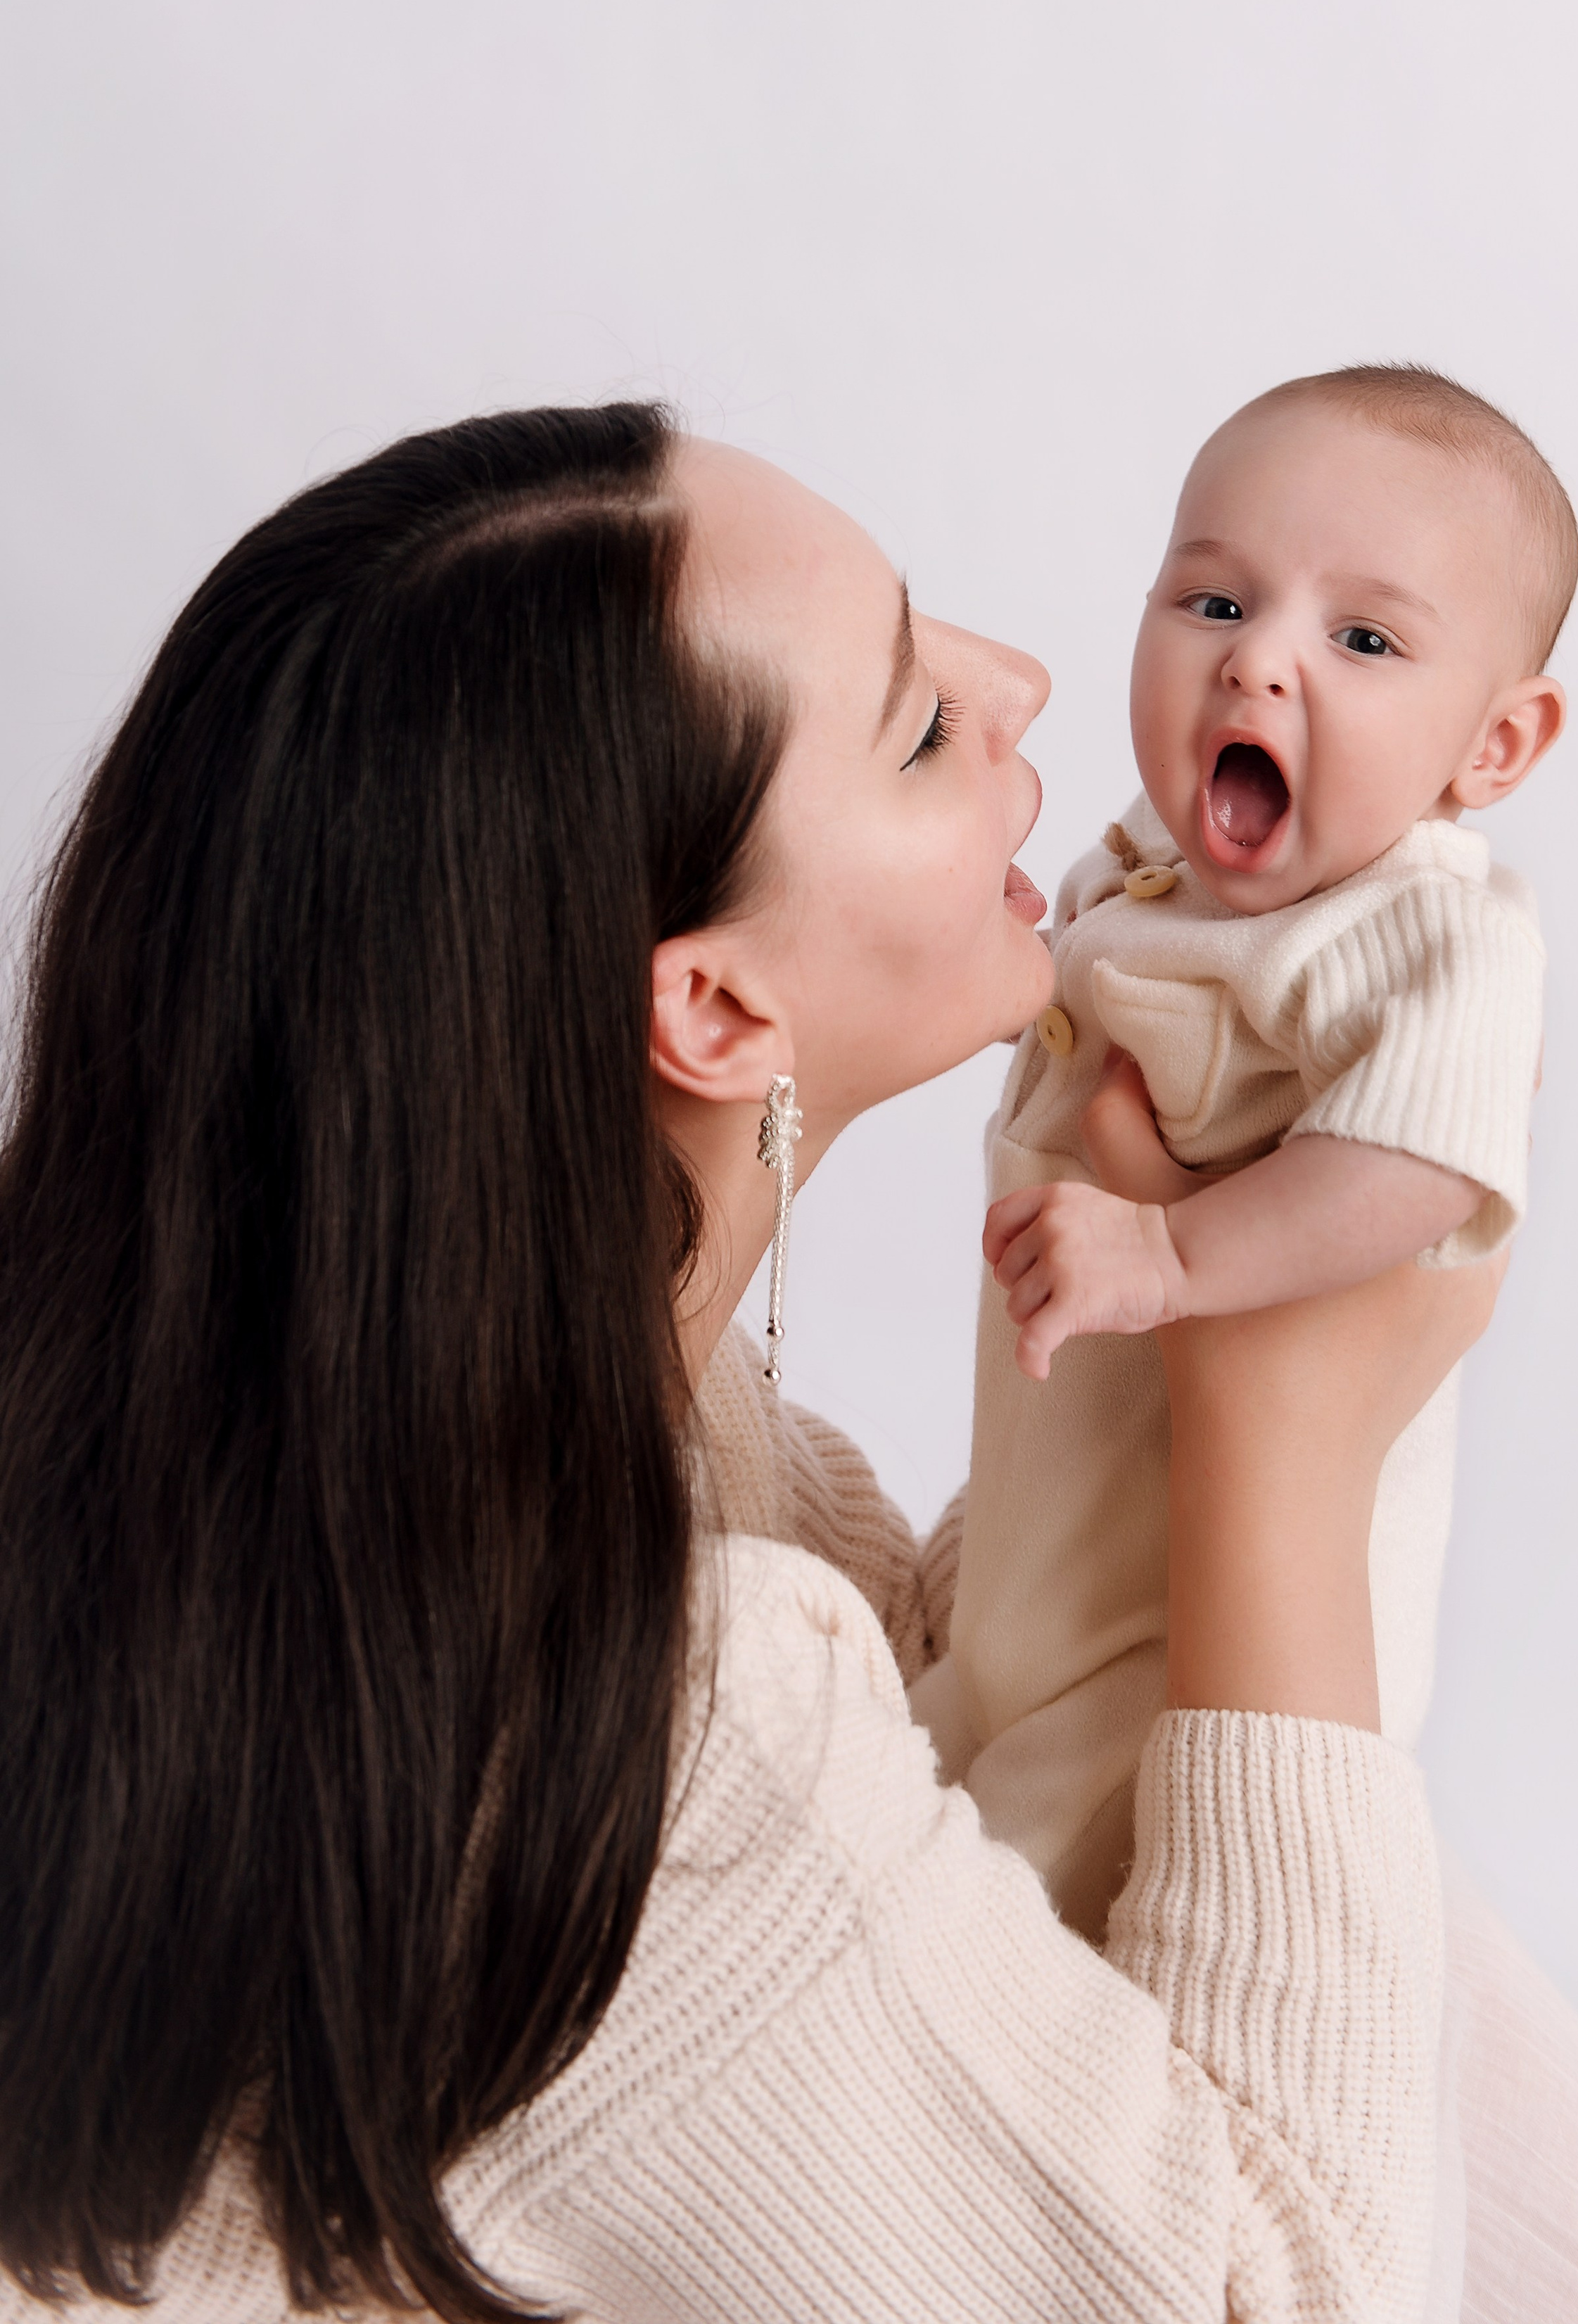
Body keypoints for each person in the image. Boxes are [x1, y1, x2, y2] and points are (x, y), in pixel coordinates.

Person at [0, 402, 1477, 2320]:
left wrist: (1173, 1268)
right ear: (712, 1001)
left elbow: (946, 1720)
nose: (1028, 680)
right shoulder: (624, 1737)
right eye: (922, 723)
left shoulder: (379, 1391)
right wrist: (1284, 1437)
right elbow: (1279, 2290)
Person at [911, 364, 1567, 1936]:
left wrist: (1168, 1251)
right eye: (1210, 602)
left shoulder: (1428, 933)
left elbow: (1421, 1161)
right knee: (931, 1764)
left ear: (1489, 747)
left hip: (1200, 1639)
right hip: (1039, 1560)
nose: (1254, 665)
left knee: (978, 1906)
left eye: (1359, 640)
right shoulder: (1137, 868)